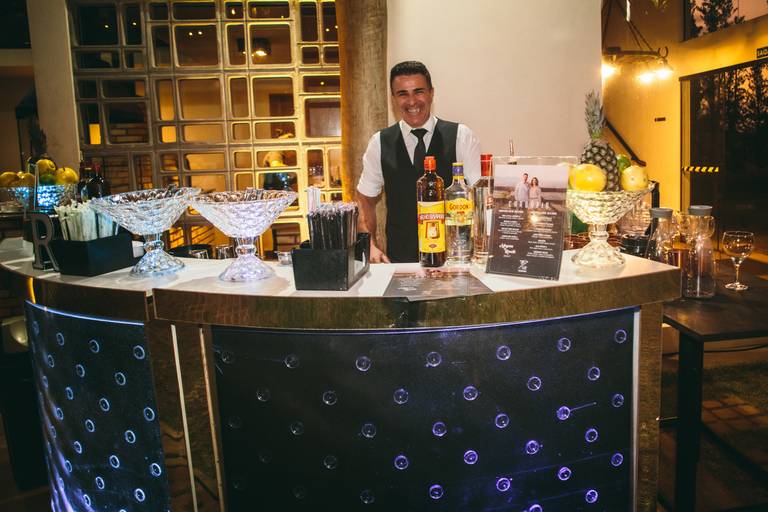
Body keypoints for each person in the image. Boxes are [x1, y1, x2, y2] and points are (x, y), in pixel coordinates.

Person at [355, 61, 481, 263]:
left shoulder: (462, 136)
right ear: (394, 98)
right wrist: (369, 245)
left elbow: (479, 197)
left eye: (419, 92)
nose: (412, 101)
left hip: (455, 261)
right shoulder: (379, 143)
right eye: (402, 94)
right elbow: (364, 200)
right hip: (400, 262)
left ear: (431, 93)